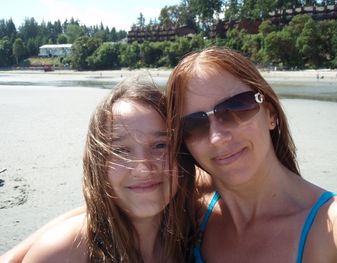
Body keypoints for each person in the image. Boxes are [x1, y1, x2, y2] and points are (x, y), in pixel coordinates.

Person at [166, 46, 337, 262]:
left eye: (236, 108)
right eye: (194, 124)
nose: (217, 137)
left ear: (270, 114)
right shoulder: (188, 212)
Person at [1, 77, 196, 263]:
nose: (143, 169)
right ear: (97, 163)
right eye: (121, 150)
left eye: (160, 145)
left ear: (181, 155)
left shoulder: (194, 235)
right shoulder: (63, 253)